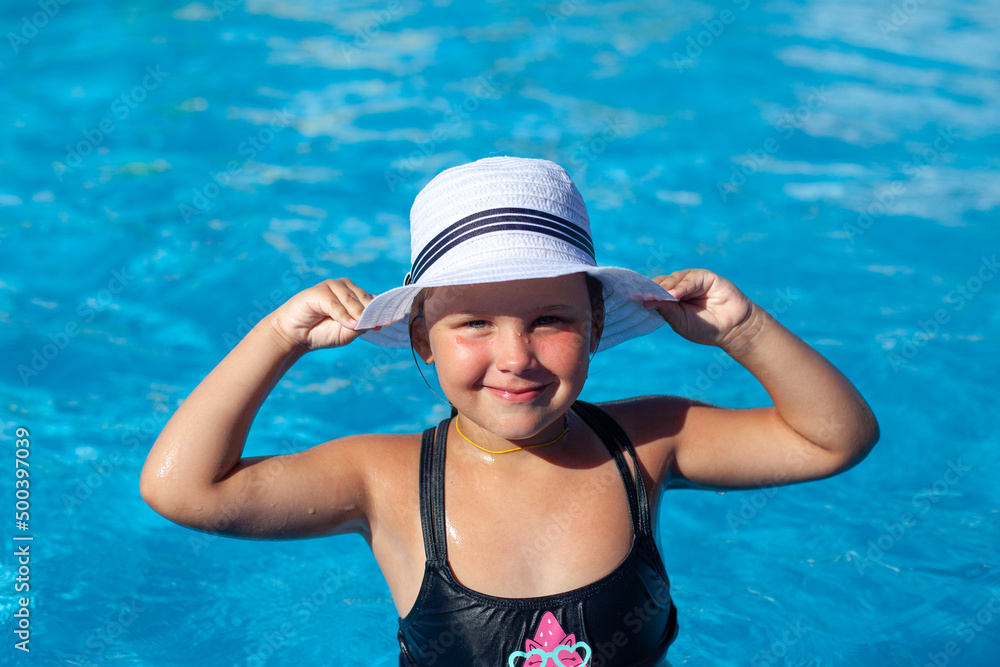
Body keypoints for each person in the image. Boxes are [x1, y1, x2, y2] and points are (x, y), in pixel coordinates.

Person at [141, 157, 879, 666]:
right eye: (475, 324)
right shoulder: (385, 478)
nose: (516, 355)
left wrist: (745, 333)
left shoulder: (647, 443)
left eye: (550, 320)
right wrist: (276, 340)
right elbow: (183, 489)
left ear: (595, 324)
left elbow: (834, 440)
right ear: (423, 338)